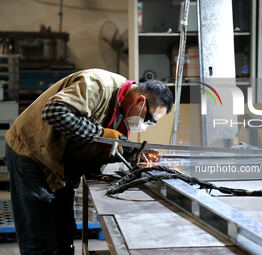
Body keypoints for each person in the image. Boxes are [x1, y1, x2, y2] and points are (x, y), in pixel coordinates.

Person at [4, 68, 173, 255]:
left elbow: (113, 140)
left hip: (59, 162)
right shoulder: (98, 85)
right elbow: (53, 112)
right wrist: (99, 134)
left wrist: (135, 155)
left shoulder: (123, 108)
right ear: (140, 101)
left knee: (64, 235)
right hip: (30, 152)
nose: (145, 124)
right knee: (40, 237)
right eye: (148, 119)